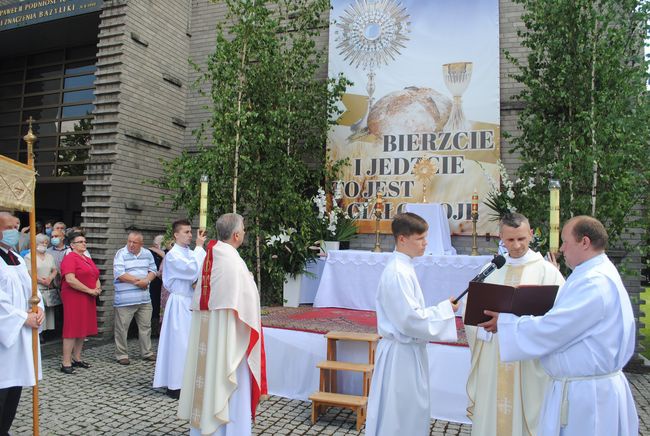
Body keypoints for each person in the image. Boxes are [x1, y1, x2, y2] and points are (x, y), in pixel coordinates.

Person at [480, 216, 638, 435]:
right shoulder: (591, 274)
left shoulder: (594, 281)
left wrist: (505, 323)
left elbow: (555, 327)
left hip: (587, 397)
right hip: (584, 389)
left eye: (565, 241)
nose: (561, 249)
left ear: (584, 242)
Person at [464, 212, 565, 436]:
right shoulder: (490, 270)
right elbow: (469, 311)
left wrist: (512, 323)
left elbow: (560, 319)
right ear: (501, 238)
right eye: (510, 240)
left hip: (528, 360)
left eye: (522, 238)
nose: (517, 245)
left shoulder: (547, 272)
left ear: (531, 234)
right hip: (494, 352)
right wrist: (483, 326)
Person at [365, 212, 459, 436]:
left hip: (407, 351)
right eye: (420, 239)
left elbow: (411, 315)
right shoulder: (398, 272)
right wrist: (443, 310)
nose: (426, 243)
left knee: (409, 412)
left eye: (426, 237)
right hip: (401, 355)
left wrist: (441, 309)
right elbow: (409, 321)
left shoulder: (405, 266)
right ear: (402, 239)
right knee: (400, 415)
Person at [178, 213, 267, 436]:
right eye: (244, 228)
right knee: (229, 384)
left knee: (207, 377)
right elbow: (248, 308)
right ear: (236, 235)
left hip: (209, 338)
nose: (245, 232)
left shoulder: (212, 256)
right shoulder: (234, 263)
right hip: (230, 340)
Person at [0, 212, 44, 434]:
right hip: (4, 335)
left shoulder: (15, 258)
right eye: (9, 227)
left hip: (20, 335)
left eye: (17, 227)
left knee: (14, 387)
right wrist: (21, 317)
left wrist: (39, 309)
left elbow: (32, 288)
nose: (14, 232)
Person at [153, 219, 206, 399]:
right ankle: (175, 384)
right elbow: (191, 270)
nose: (190, 235)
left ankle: (189, 381)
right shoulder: (173, 255)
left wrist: (199, 250)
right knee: (179, 343)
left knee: (190, 343)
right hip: (179, 302)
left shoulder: (189, 252)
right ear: (176, 235)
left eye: (191, 232)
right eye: (186, 232)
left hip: (190, 301)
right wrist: (199, 248)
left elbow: (202, 267)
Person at [113, 231, 158, 365]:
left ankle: (147, 352)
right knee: (122, 328)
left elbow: (153, 270)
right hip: (125, 300)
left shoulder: (147, 253)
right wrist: (140, 282)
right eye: (129, 241)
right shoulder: (121, 253)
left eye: (135, 242)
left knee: (145, 327)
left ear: (141, 244)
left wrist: (147, 281)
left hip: (144, 299)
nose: (131, 245)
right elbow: (120, 274)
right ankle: (121, 355)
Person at [59, 231, 101, 374]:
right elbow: (70, 279)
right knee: (72, 328)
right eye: (80, 242)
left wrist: (97, 287)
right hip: (74, 296)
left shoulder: (86, 258)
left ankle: (77, 358)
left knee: (82, 327)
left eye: (85, 241)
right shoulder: (70, 258)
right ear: (72, 245)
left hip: (87, 296)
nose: (84, 243)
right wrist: (89, 290)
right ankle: (66, 362)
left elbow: (95, 274)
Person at [25, 233, 60, 338]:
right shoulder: (29, 256)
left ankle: (47, 332)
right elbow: (29, 272)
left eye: (46, 243)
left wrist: (50, 278)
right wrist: (40, 280)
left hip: (48, 287)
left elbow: (55, 270)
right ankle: (39, 334)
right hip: (37, 287)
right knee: (38, 309)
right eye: (42, 243)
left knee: (48, 311)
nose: (44, 245)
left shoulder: (49, 256)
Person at [148, 235, 165, 337]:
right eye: (161, 243)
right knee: (153, 306)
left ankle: (157, 329)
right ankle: (154, 330)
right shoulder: (150, 254)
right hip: (153, 284)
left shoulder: (165, 253)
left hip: (161, 286)